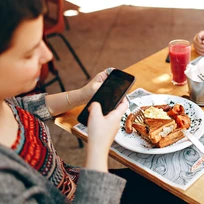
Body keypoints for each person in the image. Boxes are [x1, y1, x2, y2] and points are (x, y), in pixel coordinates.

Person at [0, 0, 128, 203]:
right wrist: (98, 147)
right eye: (29, 53)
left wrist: (82, 94)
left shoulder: (3, 101)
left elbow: (24, 107)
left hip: (74, 180)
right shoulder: (5, 188)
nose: (48, 55)